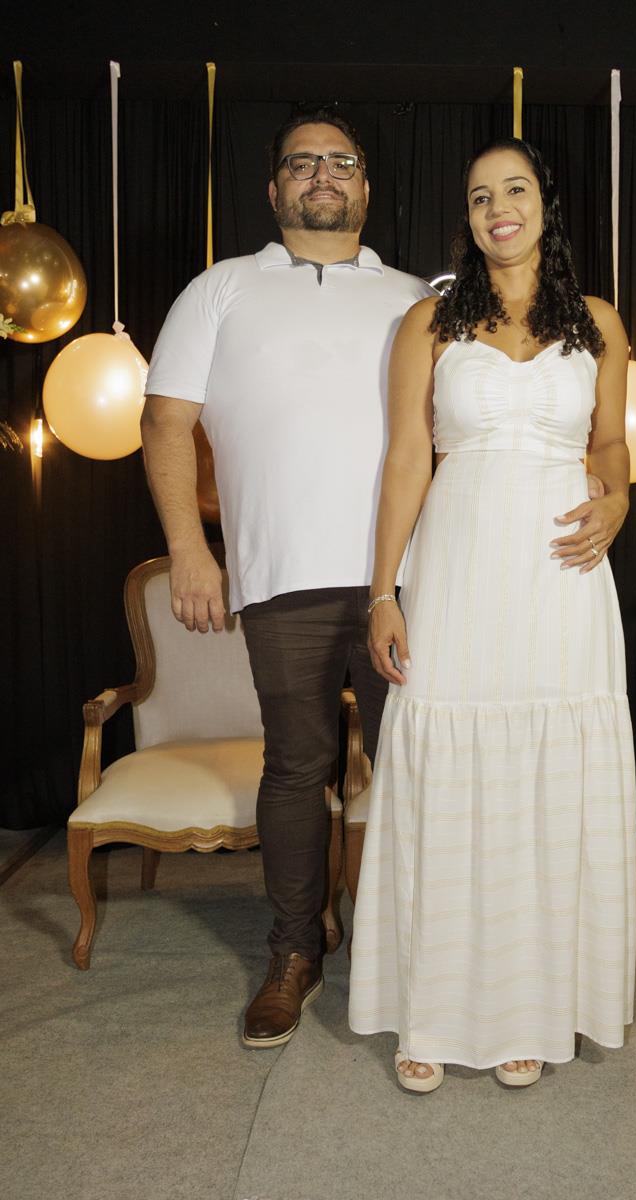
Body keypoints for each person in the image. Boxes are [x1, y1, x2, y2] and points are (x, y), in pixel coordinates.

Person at [348, 136, 636, 1092]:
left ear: (546, 203)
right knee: (444, 776)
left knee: (545, 787)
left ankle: (528, 1007)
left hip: (562, 581)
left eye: (514, 190)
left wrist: (619, 500)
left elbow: (610, 446)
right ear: (467, 218)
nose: (497, 209)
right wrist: (383, 591)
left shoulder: (600, 323)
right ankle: (430, 1011)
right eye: (480, 196)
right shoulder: (428, 322)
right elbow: (405, 460)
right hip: (460, 574)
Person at [141, 108, 433, 1048]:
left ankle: (425, 952)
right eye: (302, 163)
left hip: (411, 578)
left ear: (367, 187)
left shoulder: (418, 297)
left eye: (341, 161)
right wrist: (191, 548)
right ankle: (297, 949)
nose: (322, 175)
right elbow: (164, 423)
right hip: (283, 579)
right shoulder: (220, 288)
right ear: (273, 189)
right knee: (297, 767)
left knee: (420, 767)